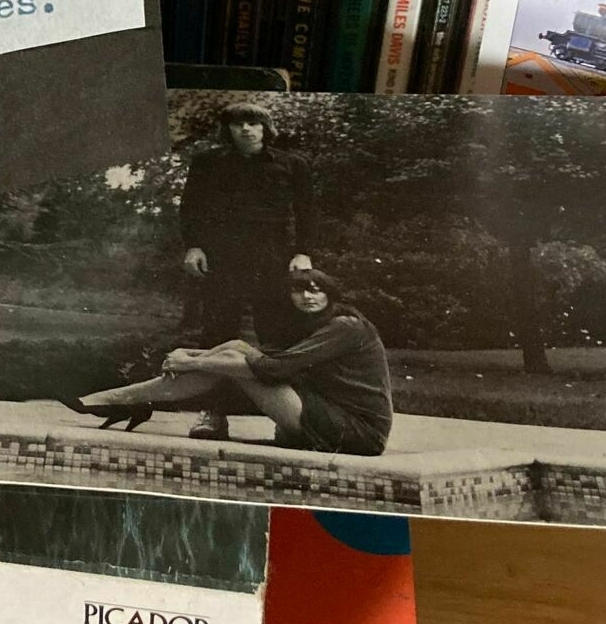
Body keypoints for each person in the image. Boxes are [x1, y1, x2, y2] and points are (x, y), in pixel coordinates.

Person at [62, 269, 393, 457]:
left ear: (330, 294)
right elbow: (267, 358)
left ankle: (117, 400)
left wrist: (191, 361)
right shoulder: (311, 325)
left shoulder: (345, 326)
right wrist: (192, 358)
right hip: (324, 411)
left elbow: (274, 369)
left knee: (235, 360)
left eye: (316, 290)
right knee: (235, 347)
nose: (308, 296)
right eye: (299, 291)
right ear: (288, 296)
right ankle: (119, 399)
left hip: (355, 432)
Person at [178, 101, 317, 440]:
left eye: (253, 122)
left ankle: (287, 420)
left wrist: (303, 253)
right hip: (223, 259)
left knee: (278, 337)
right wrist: (194, 245)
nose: (245, 129)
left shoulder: (292, 165)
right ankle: (212, 414)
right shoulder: (208, 163)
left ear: (265, 127)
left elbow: (308, 211)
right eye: (238, 123)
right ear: (228, 129)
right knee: (217, 335)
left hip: (273, 259)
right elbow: (191, 207)